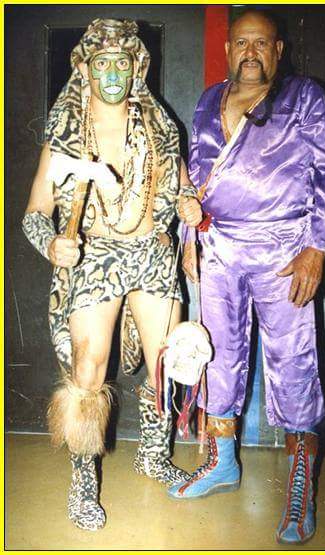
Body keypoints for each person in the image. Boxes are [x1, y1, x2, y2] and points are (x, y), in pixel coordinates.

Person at [171, 9, 325, 545]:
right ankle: (222, 462)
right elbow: (196, 177)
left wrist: (317, 247)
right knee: (218, 357)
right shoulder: (208, 100)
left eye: (261, 43)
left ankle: (299, 486)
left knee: (294, 362)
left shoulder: (305, 97)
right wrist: (189, 236)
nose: (250, 52)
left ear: (278, 50)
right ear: (229, 50)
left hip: (284, 249)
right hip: (218, 248)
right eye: (241, 43)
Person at [22, 18, 192, 531]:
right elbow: (35, 212)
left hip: (152, 252)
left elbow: (185, 188)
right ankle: (83, 481)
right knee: (88, 370)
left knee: (167, 362)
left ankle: (154, 455)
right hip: (95, 256)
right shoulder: (66, 135)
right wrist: (52, 243)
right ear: (85, 70)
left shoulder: (162, 127)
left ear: (137, 68)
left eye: (122, 63)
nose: (113, 74)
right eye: (103, 64)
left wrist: (187, 203)